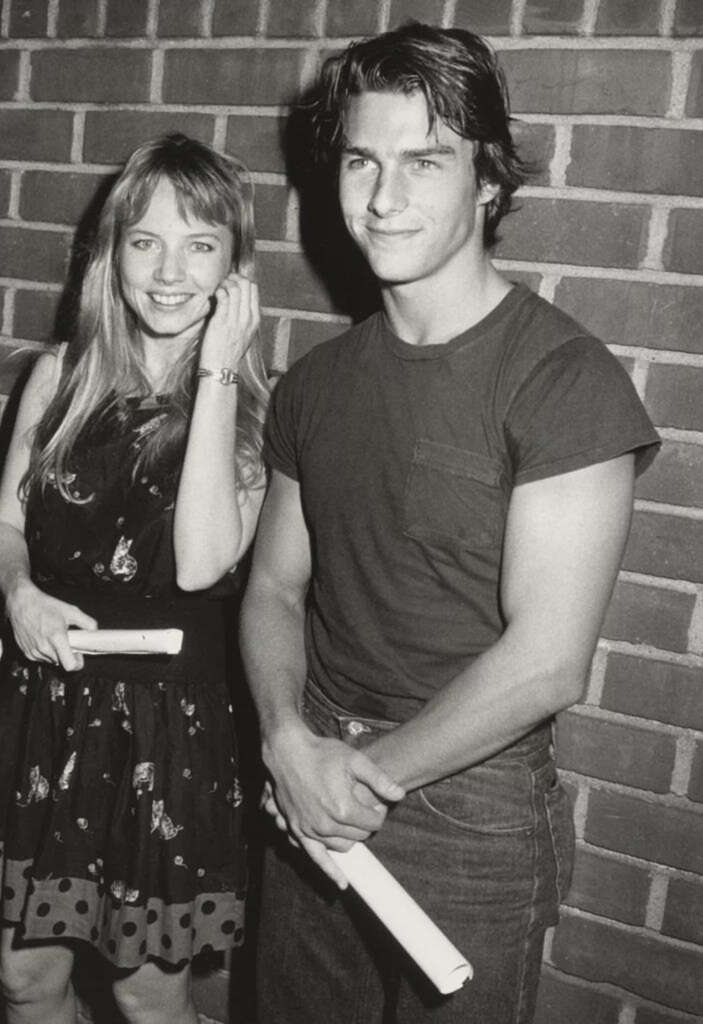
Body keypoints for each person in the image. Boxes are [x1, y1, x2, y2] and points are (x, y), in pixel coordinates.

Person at [240, 21, 659, 1024]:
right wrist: (288, 740)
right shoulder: (316, 384)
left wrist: (358, 776)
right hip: (312, 776)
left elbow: (550, 659)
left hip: (469, 801)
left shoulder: (563, 379)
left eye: (424, 161)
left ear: (487, 183)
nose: (384, 198)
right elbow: (272, 588)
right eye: (361, 161)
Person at [0, 133, 269, 1024]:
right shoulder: (60, 377)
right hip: (45, 710)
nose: (169, 272)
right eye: (145, 241)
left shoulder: (251, 411)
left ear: (234, 270)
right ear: (111, 252)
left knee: (146, 993)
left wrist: (213, 375)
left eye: (200, 245)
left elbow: (205, 561)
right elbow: (4, 527)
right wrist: (17, 594)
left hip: (166, 733)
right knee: (24, 980)